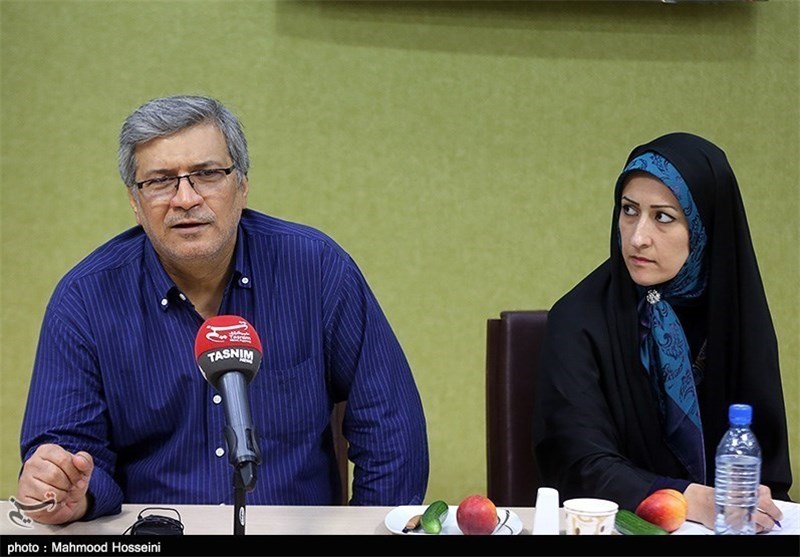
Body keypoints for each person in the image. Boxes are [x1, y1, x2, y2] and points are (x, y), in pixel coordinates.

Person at [17, 95, 429, 524]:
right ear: (135, 202)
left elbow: (391, 431)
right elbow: (71, 457)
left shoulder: (317, 269)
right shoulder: (85, 299)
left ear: (242, 185)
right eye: (160, 181)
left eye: (207, 174)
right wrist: (70, 490)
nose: (185, 198)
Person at [532, 132, 792, 532]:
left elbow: (765, 469)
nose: (638, 237)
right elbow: (580, 463)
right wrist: (691, 499)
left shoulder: (736, 313)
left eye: (663, 217)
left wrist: (746, 503)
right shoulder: (577, 318)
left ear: (704, 228)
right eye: (629, 210)